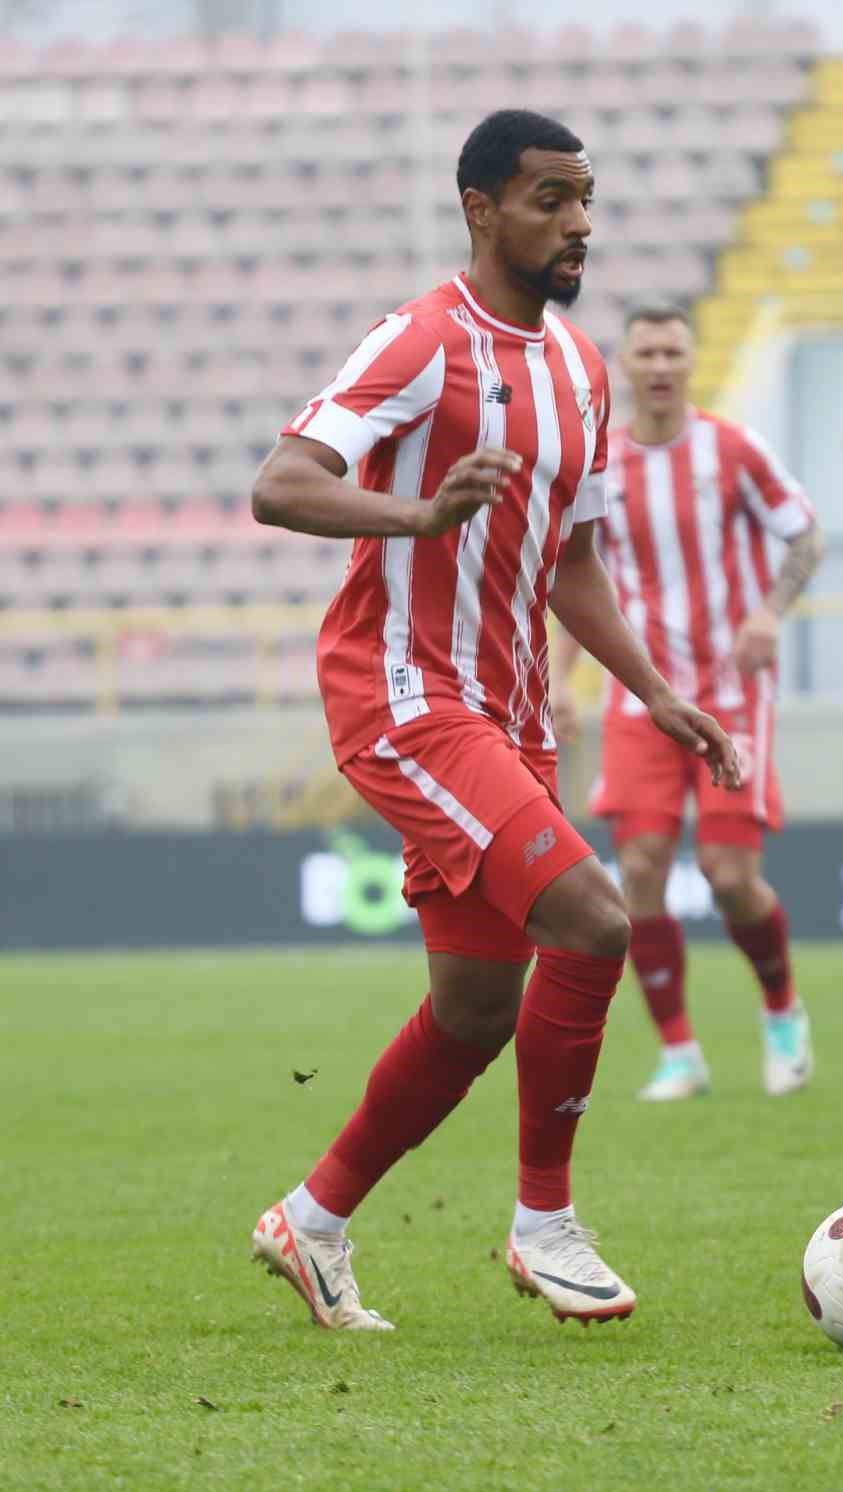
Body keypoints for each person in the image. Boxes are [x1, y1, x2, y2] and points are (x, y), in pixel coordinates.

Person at [246, 110, 739, 1332]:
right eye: (548, 198)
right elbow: (282, 482)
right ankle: (545, 1222)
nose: (577, 222)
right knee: (593, 915)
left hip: (512, 717)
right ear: (480, 208)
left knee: (475, 1006)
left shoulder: (580, 369)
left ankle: (310, 1219)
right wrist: (413, 517)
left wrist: (656, 689)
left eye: (585, 197)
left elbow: (573, 556)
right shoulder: (421, 341)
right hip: (407, 695)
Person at [551, 305, 825, 1102]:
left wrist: (770, 611)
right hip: (642, 694)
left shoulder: (731, 449)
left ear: (691, 361)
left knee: (728, 873)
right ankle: (679, 1050)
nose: (662, 365)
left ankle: (781, 1009)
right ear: (626, 365)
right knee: (637, 869)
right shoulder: (598, 462)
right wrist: (562, 678)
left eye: (674, 351)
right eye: (648, 352)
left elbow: (805, 537)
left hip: (732, 693)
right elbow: (578, 575)